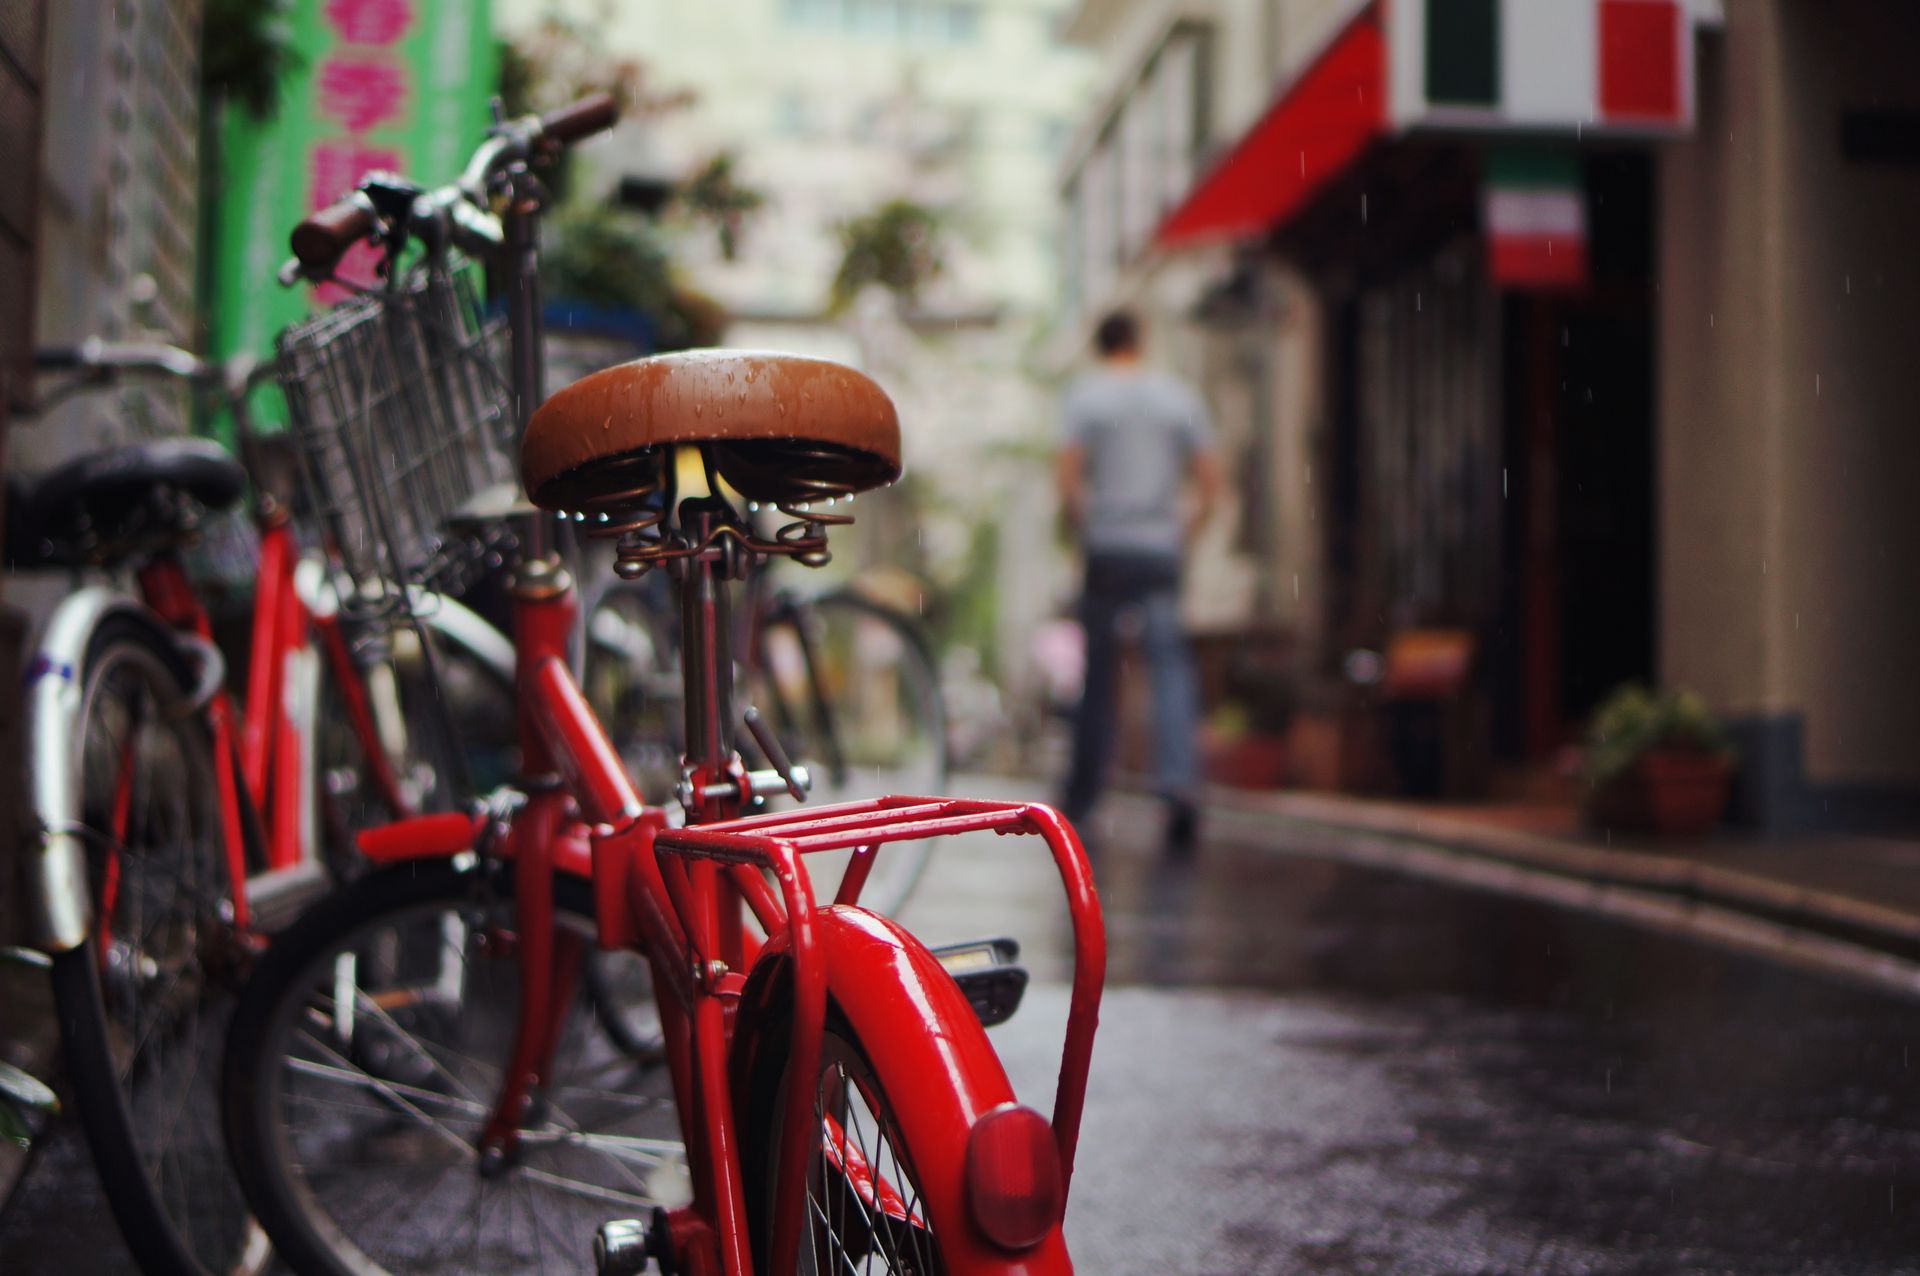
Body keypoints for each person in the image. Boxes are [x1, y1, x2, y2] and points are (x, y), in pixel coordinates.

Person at [1055, 309, 1222, 856]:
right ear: (1140, 340)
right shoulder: (1176, 397)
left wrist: (1089, 526)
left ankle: (1083, 796)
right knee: (1169, 667)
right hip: (1159, 549)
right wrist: (1183, 531)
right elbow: (1210, 479)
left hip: (1108, 547)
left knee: (1099, 673)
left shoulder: (1086, 397)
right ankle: (1177, 786)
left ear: (1101, 346)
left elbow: (1069, 478)